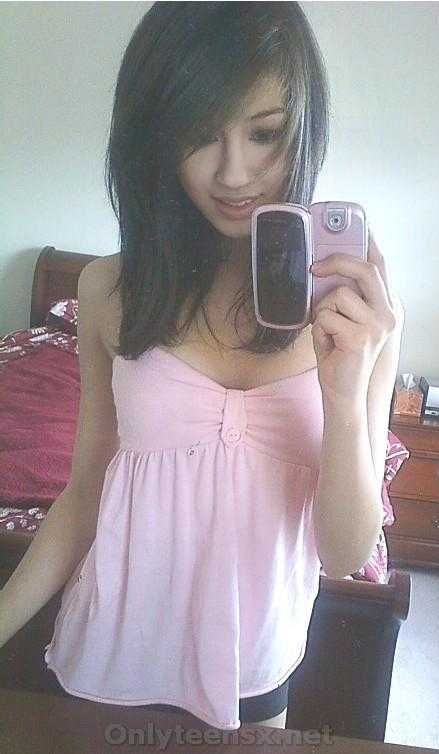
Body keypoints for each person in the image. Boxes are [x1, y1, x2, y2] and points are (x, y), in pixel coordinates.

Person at [0, 1, 403, 732]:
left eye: (265, 133)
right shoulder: (109, 289)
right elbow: (85, 492)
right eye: (197, 134)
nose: (233, 172)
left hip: (255, 670)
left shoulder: (356, 309)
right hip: (106, 655)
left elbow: (345, 553)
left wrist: (345, 395)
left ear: (303, 127)